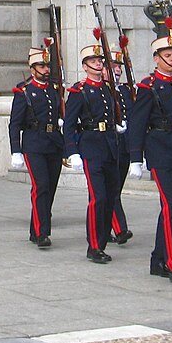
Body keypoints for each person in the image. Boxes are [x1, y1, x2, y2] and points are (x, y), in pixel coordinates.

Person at [126, 33, 172, 283]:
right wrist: (136, 157)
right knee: (171, 206)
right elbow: (137, 123)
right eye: (167, 55)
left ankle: (158, 258)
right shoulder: (148, 86)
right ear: (156, 59)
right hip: (159, 150)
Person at [64, 45, 121, 263]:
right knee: (98, 198)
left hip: (110, 145)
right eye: (94, 62)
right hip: (91, 146)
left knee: (110, 198)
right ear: (85, 66)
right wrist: (72, 151)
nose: (99, 65)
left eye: (100, 61)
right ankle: (94, 246)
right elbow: (69, 125)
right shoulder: (79, 91)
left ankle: (103, 240)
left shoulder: (107, 88)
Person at [9, 47, 64, 248]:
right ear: (33, 69)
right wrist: (16, 150)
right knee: (40, 186)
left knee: (50, 189)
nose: (46, 70)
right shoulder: (24, 91)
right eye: (42, 66)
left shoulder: (55, 89)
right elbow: (15, 123)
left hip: (54, 143)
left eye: (47, 65)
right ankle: (42, 233)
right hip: (34, 143)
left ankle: (35, 228)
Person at [109, 51, 134, 246]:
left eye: (119, 68)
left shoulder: (125, 91)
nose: (117, 71)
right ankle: (120, 228)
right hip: (106, 145)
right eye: (114, 67)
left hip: (124, 146)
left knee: (115, 188)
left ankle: (104, 225)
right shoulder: (101, 90)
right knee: (109, 189)